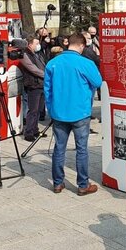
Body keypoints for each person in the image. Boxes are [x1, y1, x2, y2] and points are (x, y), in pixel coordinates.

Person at [44, 33, 103, 195]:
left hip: (58, 113)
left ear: (67, 44)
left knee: (59, 148)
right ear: (82, 46)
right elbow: (98, 82)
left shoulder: (52, 63)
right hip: (80, 112)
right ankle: (83, 185)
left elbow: (47, 90)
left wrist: (51, 109)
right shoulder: (86, 63)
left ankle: (57, 183)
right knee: (82, 149)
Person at [19, 34, 47, 142]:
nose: (38, 45)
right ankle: (29, 132)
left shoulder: (36, 54)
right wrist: (46, 75)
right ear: (30, 44)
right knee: (33, 110)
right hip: (33, 85)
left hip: (41, 84)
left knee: (39, 109)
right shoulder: (24, 54)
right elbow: (32, 69)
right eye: (36, 43)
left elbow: (42, 65)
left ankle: (35, 129)